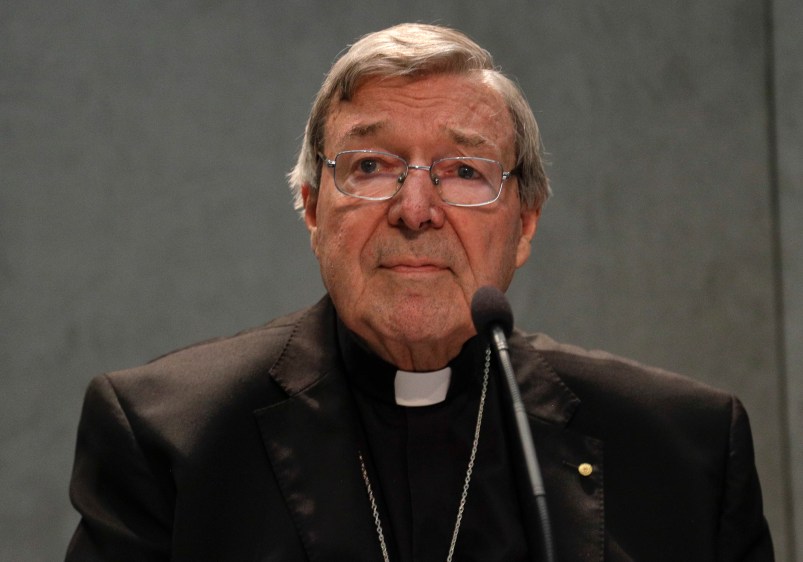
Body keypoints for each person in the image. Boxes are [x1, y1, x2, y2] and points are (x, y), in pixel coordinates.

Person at [66, 23, 773, 561]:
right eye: (370, 165)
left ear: (523, 225)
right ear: (312, 210)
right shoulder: (169, 438)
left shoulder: (685, 451)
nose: (414, 209)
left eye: (464, 171)